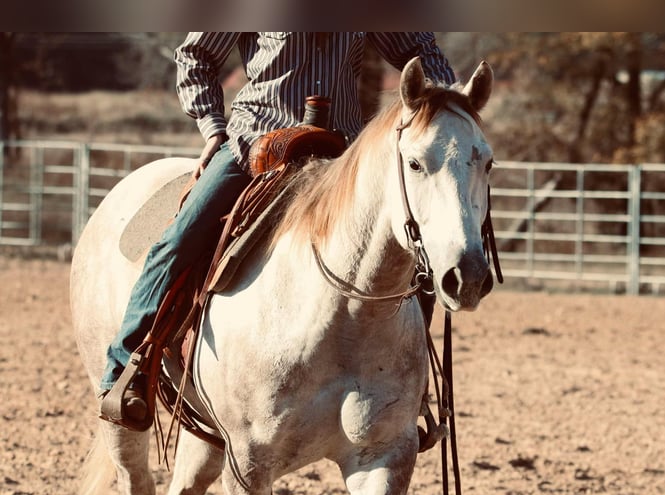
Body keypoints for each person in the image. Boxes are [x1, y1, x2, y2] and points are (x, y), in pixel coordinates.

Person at [100, 32, 457, 426]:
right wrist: (214, 129)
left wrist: (445, 107)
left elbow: (418, 48)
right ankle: (127, 368)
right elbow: (195, 54)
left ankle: (408, 394)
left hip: (343, 156)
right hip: (255, 145)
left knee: (412, 257)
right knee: (178, 240)